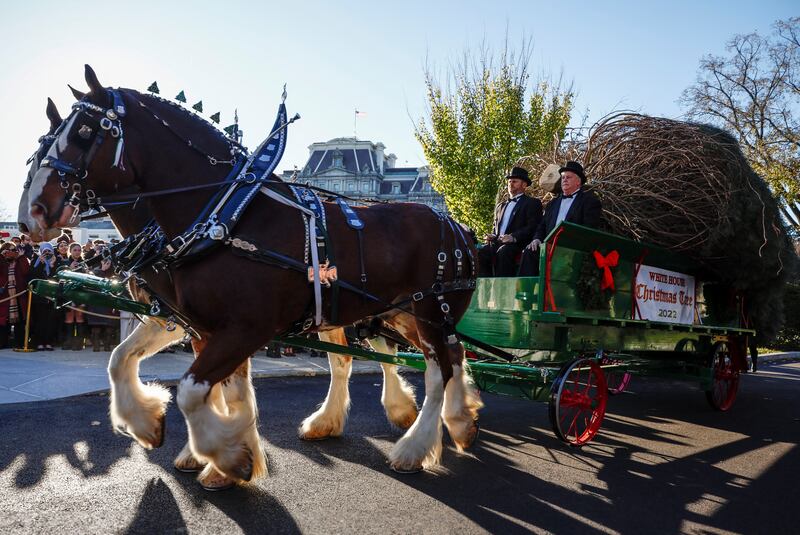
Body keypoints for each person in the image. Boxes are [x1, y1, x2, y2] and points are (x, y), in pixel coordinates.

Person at [518, 161, 603, 276]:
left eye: (568, 177)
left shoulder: (590, 202)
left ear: (578, 182)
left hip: (571, 248)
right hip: (548, 247)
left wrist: (569, 242)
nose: (564, 180)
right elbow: (542, 226)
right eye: (563, 177)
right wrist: (537, 239)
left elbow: (589, 230)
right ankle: (526, 291)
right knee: (529, 251)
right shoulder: (552, 203)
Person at [477, 167, 543, 277]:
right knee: (481, 251)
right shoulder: (500, 206)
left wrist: (513, 237)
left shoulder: (532, 203)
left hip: (517, 244)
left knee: (504, 252)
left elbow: (533, 227)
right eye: (509, 181)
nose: (510, 184)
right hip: (497, 243)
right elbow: (495, 228)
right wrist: (492, 235)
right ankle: (486, 286)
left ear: (524, 185)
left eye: (515, 181)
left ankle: (503, 288)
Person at [29, 242, 64, 350]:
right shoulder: (36, 261)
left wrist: (52, 265)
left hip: (52, 295)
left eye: (49, 251)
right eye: (45, 251)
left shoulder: (57, 261)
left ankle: (48, 342)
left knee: (51, 320)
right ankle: (39, 342)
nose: (47, 253)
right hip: (39, 296)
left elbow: (57, 277)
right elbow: (33, 276)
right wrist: (41, 263)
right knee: (40, 320)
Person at [0, 242, 31, 349]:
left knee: (20, 322)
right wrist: (1, 256)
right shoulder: (2, 261)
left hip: (19, 296)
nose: (12, 252)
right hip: (4, 297)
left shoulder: (20, 260)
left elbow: (26, 271)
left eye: (14, 250)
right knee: (3, 321)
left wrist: (21, 257)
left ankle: (20, 343)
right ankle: (2, 342)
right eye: (9, 250)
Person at [63, 242, 88, 350]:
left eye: (79, 250)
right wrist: (69, 268)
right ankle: (69, 341)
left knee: (79, 316)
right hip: (68, 292)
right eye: (75, 250)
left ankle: (79, 342)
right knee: (69, 316)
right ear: (70, 251)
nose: (77, 252)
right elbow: (61, 276)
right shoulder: (65, 262)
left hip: (80, 292)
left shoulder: (84, 263)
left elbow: (87, 277)